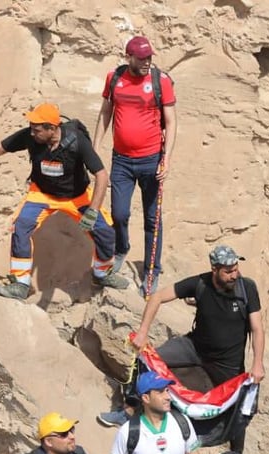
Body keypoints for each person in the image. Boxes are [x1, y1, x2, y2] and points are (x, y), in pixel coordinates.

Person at [0, 102, 130, 300]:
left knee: (104, 231)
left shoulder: (77, 141)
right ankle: (20, 284)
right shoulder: (31, 137)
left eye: (37, 130)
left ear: (52, 128)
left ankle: (101, 274)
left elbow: (101, 175)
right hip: (42, 194)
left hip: (76, 196)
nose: (32, 133)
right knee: (21, 226)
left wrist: (93, 211)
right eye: (32, 129)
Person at [98, 245, 266, 453]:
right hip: (194, 348)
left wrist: (257, 364)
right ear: (215, 270)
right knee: (150, 359)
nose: (234, 274)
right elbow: (157, 297)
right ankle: (130, 409)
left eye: (236, 268)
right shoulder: (200, 283)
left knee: (239, 407)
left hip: (227, 364)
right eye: (228, 271)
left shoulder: (246, 289)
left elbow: (257, 328)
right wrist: (142, 332)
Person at [93, 35, 178, 297]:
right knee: (119, 213)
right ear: (129, 57)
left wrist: (167, 159)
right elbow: (106, 112)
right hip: (122, 161)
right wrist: (95, 148)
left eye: (149, 57)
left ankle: (151, 270)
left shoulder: (159, 80)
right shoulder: (115, 78)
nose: (146, 62)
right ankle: (122, 248)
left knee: (153, 219)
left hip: (152, 160)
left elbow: (171, 122)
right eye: (141, 58)